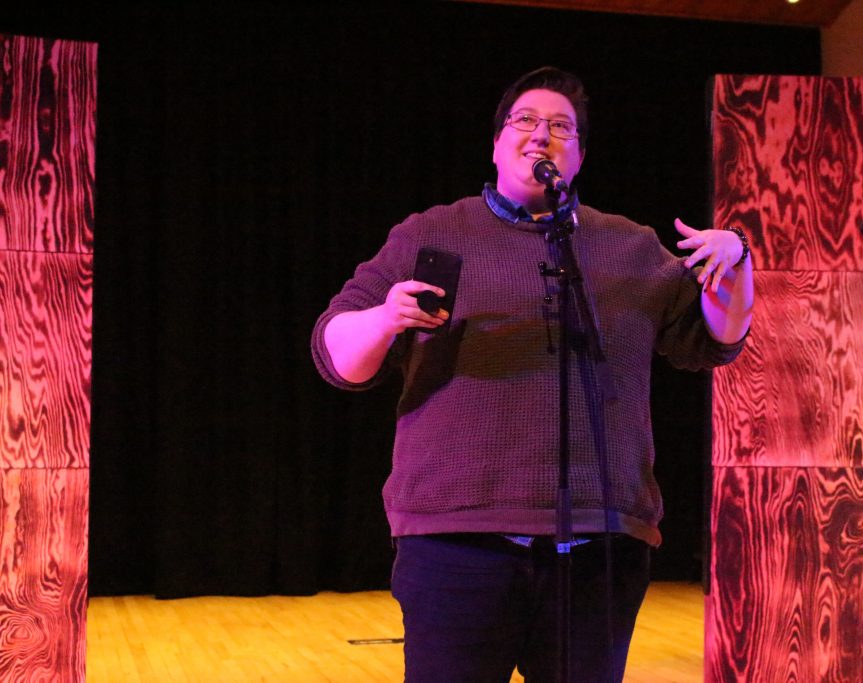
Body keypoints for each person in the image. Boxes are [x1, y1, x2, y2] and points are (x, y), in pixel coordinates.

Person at [311, 66, 753, 683]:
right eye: (526, 121)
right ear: (496, 143)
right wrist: (387, 319)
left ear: (578, 155)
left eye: (561, 128)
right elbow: (336, 354)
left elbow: (714, 342)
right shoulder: (432, 232)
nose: (542, 135)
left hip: (600, 547)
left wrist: (736, 261)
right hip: (456, 543)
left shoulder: (627, 247)